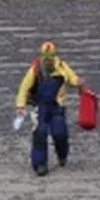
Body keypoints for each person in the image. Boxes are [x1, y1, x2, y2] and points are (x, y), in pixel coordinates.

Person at [14, 41, 83, 177]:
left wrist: (77, 81)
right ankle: (40, 164)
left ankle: (62, 154)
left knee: (60, 132)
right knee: (40, 134)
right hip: (40, 108)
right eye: (46, 58)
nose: (48, 61)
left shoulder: (62, 66)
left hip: (57, 106)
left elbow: (71, 77)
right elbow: (24, 87)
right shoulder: (35, 69)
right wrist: (20, 106)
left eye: (50, 58)